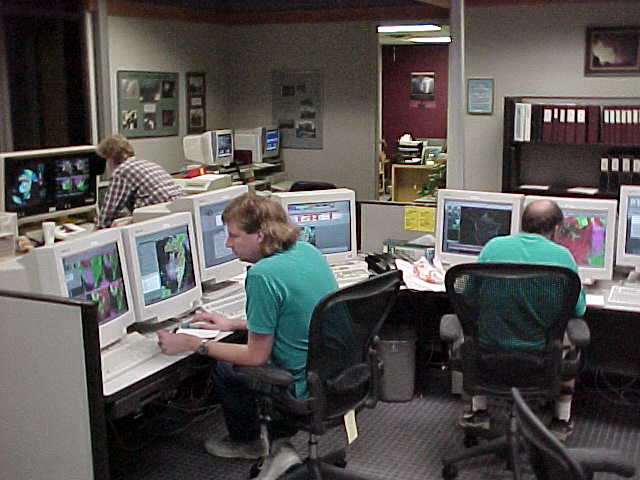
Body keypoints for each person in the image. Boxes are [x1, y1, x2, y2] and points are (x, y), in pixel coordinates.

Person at [156, 192, 338, 478]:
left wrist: (194, 344)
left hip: (299, 382)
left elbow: (255, 356)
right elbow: (296, 314)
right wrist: (233, 325)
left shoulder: (262, 275)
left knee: (225, 369)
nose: (228, 244)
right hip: (331, 370)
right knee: (232, 350)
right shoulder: (307, 251)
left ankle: (249, 443)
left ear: (260, 234)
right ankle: (276, 442)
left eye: (234, 236)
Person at [460, 199, 586, 442]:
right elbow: (578, 309)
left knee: (471, 333)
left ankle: (478, 411)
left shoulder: (493, 248)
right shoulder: (563, 257)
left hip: (490, 351)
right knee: (574, 343)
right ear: (557, 229)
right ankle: (561, 420)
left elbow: (467, 292)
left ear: (522, 223)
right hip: (542, 355)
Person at [95, 134, 183, 228]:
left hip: (160, 221)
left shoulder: (121, 171)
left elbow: (106, 217)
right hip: (178, 214)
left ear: (110, 158)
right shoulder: (146, 163)